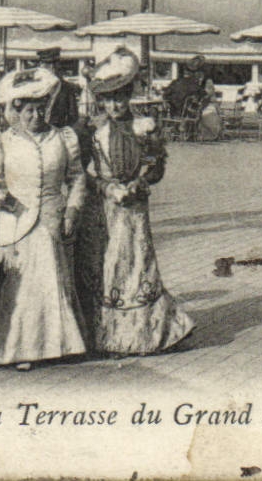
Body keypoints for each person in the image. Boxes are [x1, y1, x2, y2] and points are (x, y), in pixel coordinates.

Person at [0, 66, 88, 369]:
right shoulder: (3, 141)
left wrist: (72, 210)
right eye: (28, 111)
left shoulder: (63, 138)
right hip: (13, 223)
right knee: (13, 284)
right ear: (16, 110)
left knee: (45, 286)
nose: (35, 117)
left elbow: (77, 178)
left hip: (50, 221)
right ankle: (9, 347)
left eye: (40, 110)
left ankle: (46, 347)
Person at [77, 49, 194, 356]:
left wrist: (140, 182)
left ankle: (143, 333)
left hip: (135, 208)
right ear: (101, 101)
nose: (114, 105)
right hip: (102, 210)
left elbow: (158, 167)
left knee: (137, 266)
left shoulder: (145, 126)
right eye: (108, 99)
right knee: (106, 266)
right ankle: (104, 336)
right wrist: (104, 187)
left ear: (129, 96)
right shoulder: (94, 130)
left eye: (120, 98)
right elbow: (79, 172)